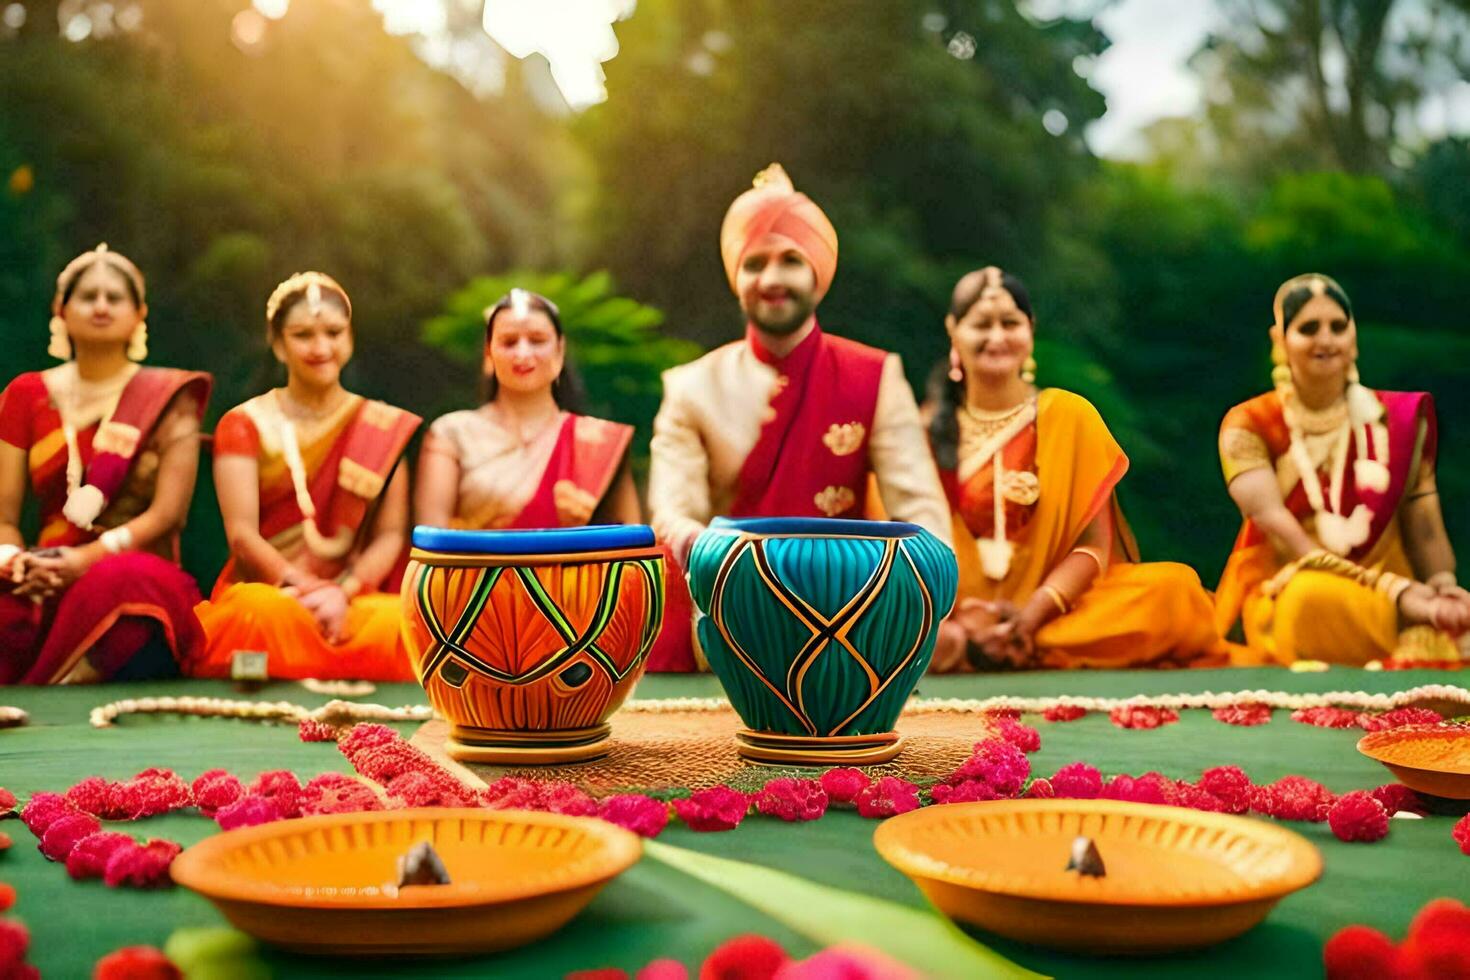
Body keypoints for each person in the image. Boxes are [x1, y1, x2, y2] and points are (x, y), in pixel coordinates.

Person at [645, 164, 952, 671]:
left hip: (851, 622)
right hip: (731, 619)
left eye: (790, 259)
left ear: (818, 273)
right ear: (736, 277)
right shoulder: (691, 388)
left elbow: (923, 516)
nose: (771, 279)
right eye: (754, 262)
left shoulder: (875, 375)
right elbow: (672, 514)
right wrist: (737, 573)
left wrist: (909, 608)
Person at [928, 266, 1227, 671]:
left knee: (1174, 590)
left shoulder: (1069, 415)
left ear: (1030, 329)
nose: (996, 337)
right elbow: (904, 543)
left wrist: (1033, 613)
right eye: (981, 324)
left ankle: (1010, 644)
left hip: (1055, 610)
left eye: (1010, 323)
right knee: (913, 624)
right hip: (953, 611)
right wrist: (964, 615)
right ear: (953, 329)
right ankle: (971, 642)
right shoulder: (921, 432)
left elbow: (1093, 547)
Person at [1216, 273, 1470, 666]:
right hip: (1297, 582)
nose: (1326, 340)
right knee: (1308, 601)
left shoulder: (1399, 421)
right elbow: (1286, 540)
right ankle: (1416, 629)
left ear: (1354, 337)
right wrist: (1396, 595)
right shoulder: (1246, 426)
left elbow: (1423, 520)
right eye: (1308, 328)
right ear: (1279, 341)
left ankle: (1432, 626)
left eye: (1338, 326)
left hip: (1408, 592)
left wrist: (1443, 587)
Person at [189, 272, 422, 680]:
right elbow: (242, 536)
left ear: (349, 338)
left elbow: (390, 536)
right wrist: (304, 587)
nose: (321, 347)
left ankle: (297, 659)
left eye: (333, 332)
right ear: (278, 344)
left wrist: (340, 592)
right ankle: (316, 659)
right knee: (256, 614)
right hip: (275, 592)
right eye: (303, 335)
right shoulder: (244, 423)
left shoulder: (382, 426)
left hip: (351, 598)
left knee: (399, 622)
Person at [0, 245, 211, 684]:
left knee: (124, 582)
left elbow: (168, 515)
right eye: (87, 296)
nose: (100, 306)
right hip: (45, 570)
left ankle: (62, 680)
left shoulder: (169, 397)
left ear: (139, 314)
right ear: (61, 309)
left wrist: (85, 560)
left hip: (132, 567)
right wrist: (14, 562)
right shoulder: (25, 395)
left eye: (114, 298)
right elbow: (4, 517)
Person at [415, 288, 639, 531]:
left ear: (560, 350)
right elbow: (431, 544)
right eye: (509, 342)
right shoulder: (452, 433)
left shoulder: (596, 442)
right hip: (474, 569)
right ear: (489, 354)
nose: (523, 353)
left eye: (537, 340)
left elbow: (632, 544)